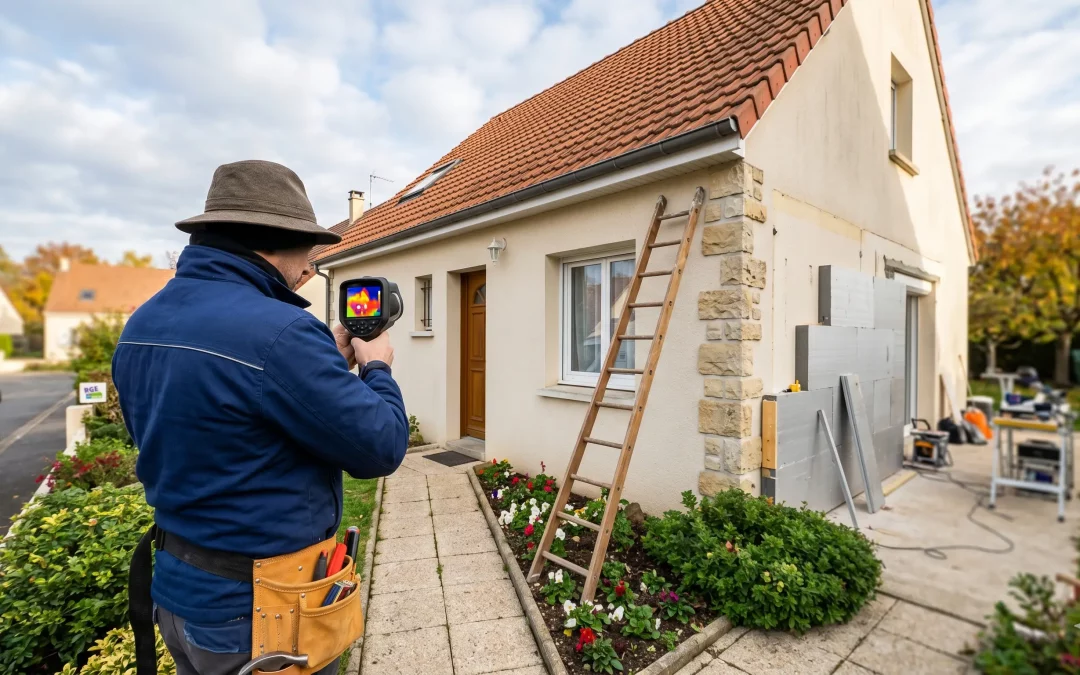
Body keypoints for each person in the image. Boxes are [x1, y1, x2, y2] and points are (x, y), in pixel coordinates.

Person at [113, 160, 408, 675]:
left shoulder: (144, 321)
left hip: (179, 595)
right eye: (309, 252)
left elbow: (212, 422)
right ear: (273, 240)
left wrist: (322, 373)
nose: (310, 269)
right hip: (259, 614)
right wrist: (376, 367)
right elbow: (380, 446)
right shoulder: (282, 332)